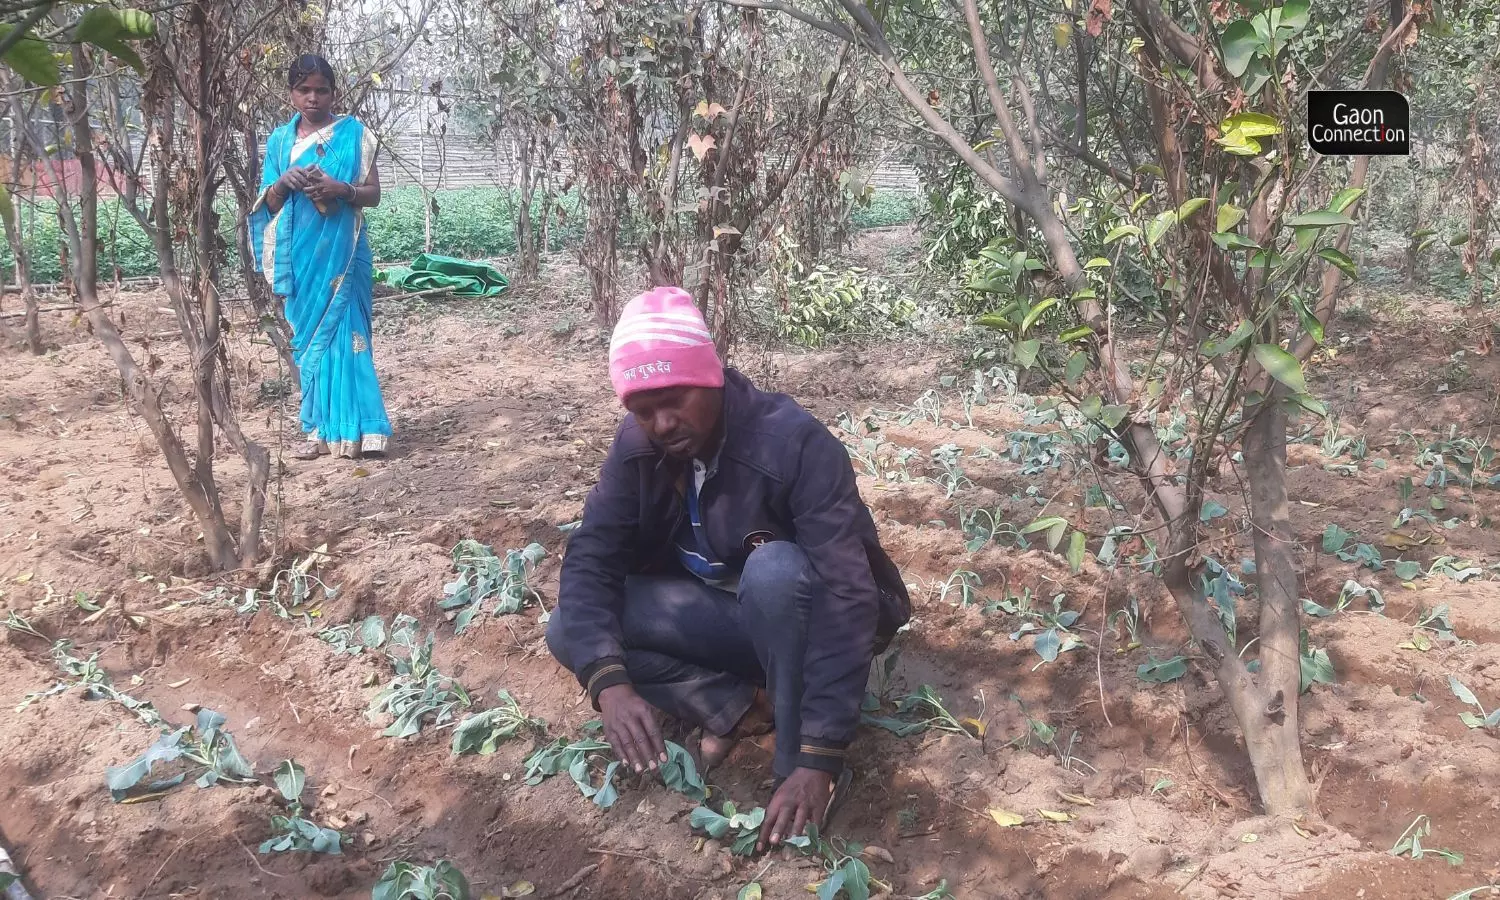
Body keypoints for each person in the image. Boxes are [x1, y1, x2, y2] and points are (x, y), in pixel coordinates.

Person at [547, 286, 911, 851]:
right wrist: (610, 684)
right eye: (644, 411)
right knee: (571, 628)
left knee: (774, 572)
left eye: (676, 399)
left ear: (711, 376)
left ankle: (792, 754)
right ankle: (740, 706)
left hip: (807, 623)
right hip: (724, 621)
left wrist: (819, 756)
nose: (663, 423)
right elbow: (591, 556)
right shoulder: (636, 450)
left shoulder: (791, 443)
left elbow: (847, 594)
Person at [250, 53, 392, 460]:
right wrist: (284, 182)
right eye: (303, 90)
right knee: (309, 340)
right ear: (291, 93)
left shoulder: (354, 134)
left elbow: (373, 195)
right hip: (302, 259)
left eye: (321, 89)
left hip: (344, 256)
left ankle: (363, 429)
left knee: (348, 337)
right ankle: (318, 430)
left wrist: (338, 188)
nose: (313, 98)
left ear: (333, 92)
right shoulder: (279, 142)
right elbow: (268, 204)